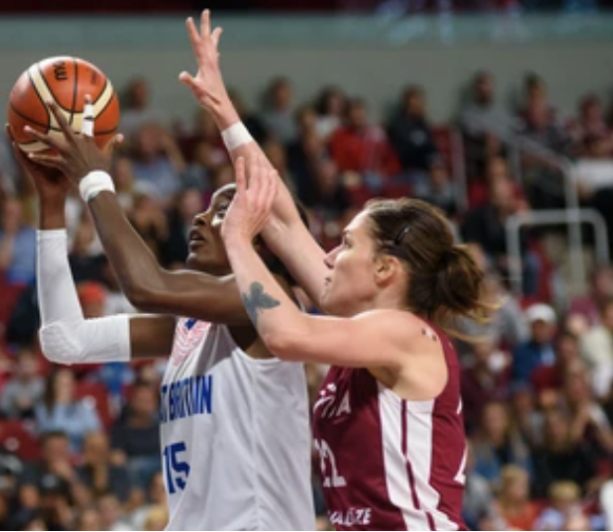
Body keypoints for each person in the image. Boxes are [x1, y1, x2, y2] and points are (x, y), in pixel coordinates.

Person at [177, 12, 485, 530]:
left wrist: (235, 237)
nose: (326, 257)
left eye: (344, 245)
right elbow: (279, 213)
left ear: (386, 269)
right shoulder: (365, 335)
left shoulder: (405, 333)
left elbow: (282, 332)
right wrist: (224, 110)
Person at [9, 16, 314, 528]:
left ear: (262, 238)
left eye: (222, 209)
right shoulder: (193, 328)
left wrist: (94, 180)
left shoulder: (264, 301)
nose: (199, 218)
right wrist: (51, 204)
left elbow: (148, 286)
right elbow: (65, 340)